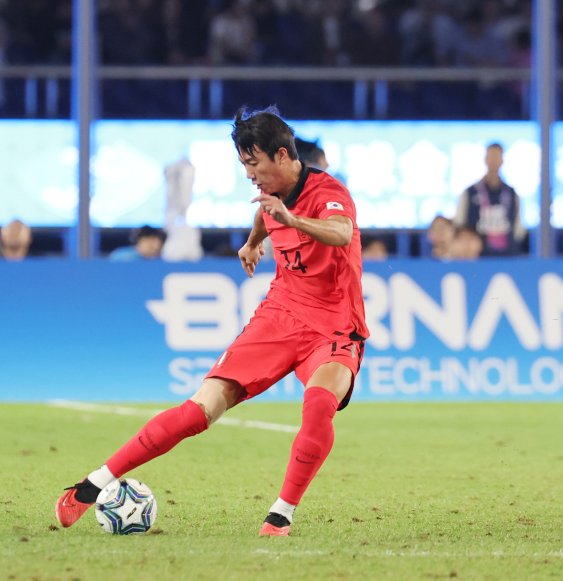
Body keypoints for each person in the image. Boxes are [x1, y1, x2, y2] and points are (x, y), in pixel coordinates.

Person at [56, 106, 369, 537]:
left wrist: (291, 220)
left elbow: (341, 232)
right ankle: (93, 484)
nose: (249, 175)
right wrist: (253, 242)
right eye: (243, 165)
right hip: (280, 316)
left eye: (253, 163)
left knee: (318, 405)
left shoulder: (328, 191)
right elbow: (265, 213)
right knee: (199, 410)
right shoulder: (270, 198)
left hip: (334, 325)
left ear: (281, 156)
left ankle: (280, 514)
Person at [454, 143, 526, 256]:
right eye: (491, 156)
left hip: (507, 256)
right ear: (485, 159)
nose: (494, 161)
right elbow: (459, 223)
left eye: (497, 157)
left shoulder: (512, 194)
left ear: (502, 160)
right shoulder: (470, 192)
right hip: (478, 258)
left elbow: (519, 230)